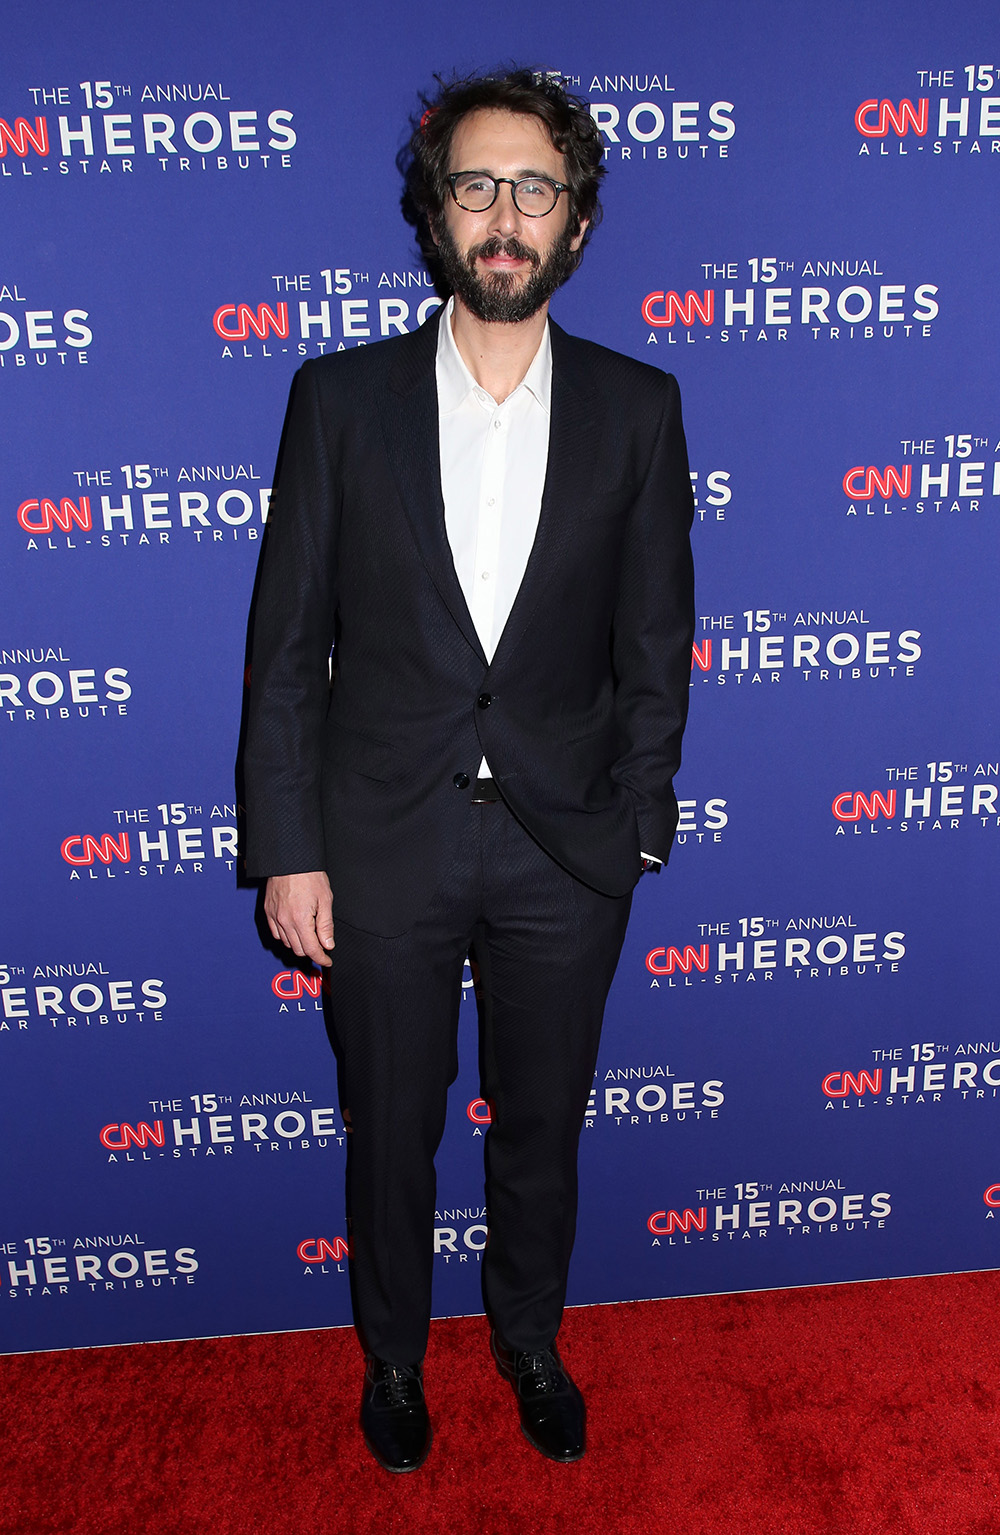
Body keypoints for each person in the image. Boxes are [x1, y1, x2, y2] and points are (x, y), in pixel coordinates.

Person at [243, 67, 695, 1473]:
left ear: (577, 222)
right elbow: (284, 645)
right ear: (437, 213)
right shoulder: (340, 398)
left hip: (569, 850)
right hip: (379, 843)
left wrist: (638, 825)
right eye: (478, 186)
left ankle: (529, 1341)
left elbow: (657, 640)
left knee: (543, 1130)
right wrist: (289, 845)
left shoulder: (639, 405)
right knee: (390, 1132)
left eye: (536, 190)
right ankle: (392, 1358)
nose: (506, 216)